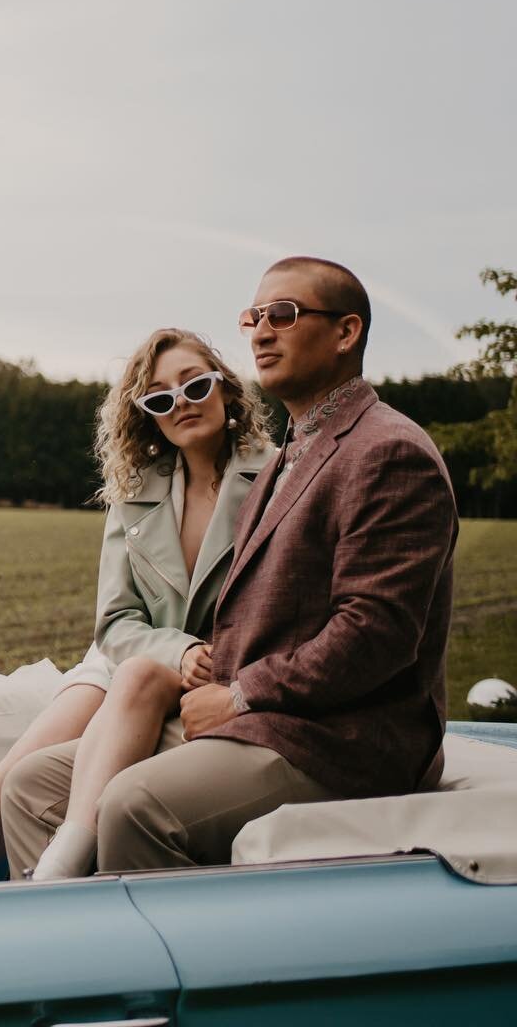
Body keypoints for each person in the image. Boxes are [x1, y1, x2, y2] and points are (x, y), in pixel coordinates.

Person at [86, 257, 459, 873]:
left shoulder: (389, 451)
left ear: (346, 333)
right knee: (37, 786)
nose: (260, 332)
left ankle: (169, 966)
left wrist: (237, 696)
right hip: (267, 719)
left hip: (345, 740)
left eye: (283, 315)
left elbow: (375, 633)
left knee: (134, 804)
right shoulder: (290, 452)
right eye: (253, 317)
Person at [0, 327, 273, 879]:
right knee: (22, 765)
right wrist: (178, 650)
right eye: (161, 398)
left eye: (195, 386)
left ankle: (62, 868)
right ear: (148, 414)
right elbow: (115, 622)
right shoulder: (136, 492)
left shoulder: (277, 476)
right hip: (131, 651)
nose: (182, 405)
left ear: (226, 388)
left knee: (70, 761)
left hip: (224, 661)